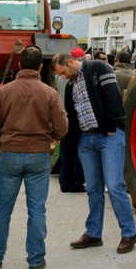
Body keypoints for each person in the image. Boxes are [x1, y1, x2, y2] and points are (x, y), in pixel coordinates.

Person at [0, 45, 68, 269]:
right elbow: (62, 125)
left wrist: (2, 144)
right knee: (37, 210)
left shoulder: (4, 91)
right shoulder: (49, 93)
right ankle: (35, 260)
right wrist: (51, 140)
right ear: (41, 67)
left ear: (19, 65)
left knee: (2, 209)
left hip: (10, 154)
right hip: (39, 156)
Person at [51, 52, 136, 254]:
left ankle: (129, 233)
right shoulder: (72, 84)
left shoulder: (99, 68)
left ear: (71, 62)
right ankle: (93, 233)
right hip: (86, 139)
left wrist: (110, 127)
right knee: (92, 188)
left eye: (63, 72)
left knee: (115, 186)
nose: (63, 77)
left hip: (108, 137)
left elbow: (113, 98)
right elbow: (71, 113)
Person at [55, 48, 86, 192]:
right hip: (76, 119)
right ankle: (75, 183)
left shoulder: (61, 79)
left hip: (65, 116)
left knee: (67, 152)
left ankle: (64, 182)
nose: (64, 76)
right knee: (77, 153)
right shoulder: (75, 81)